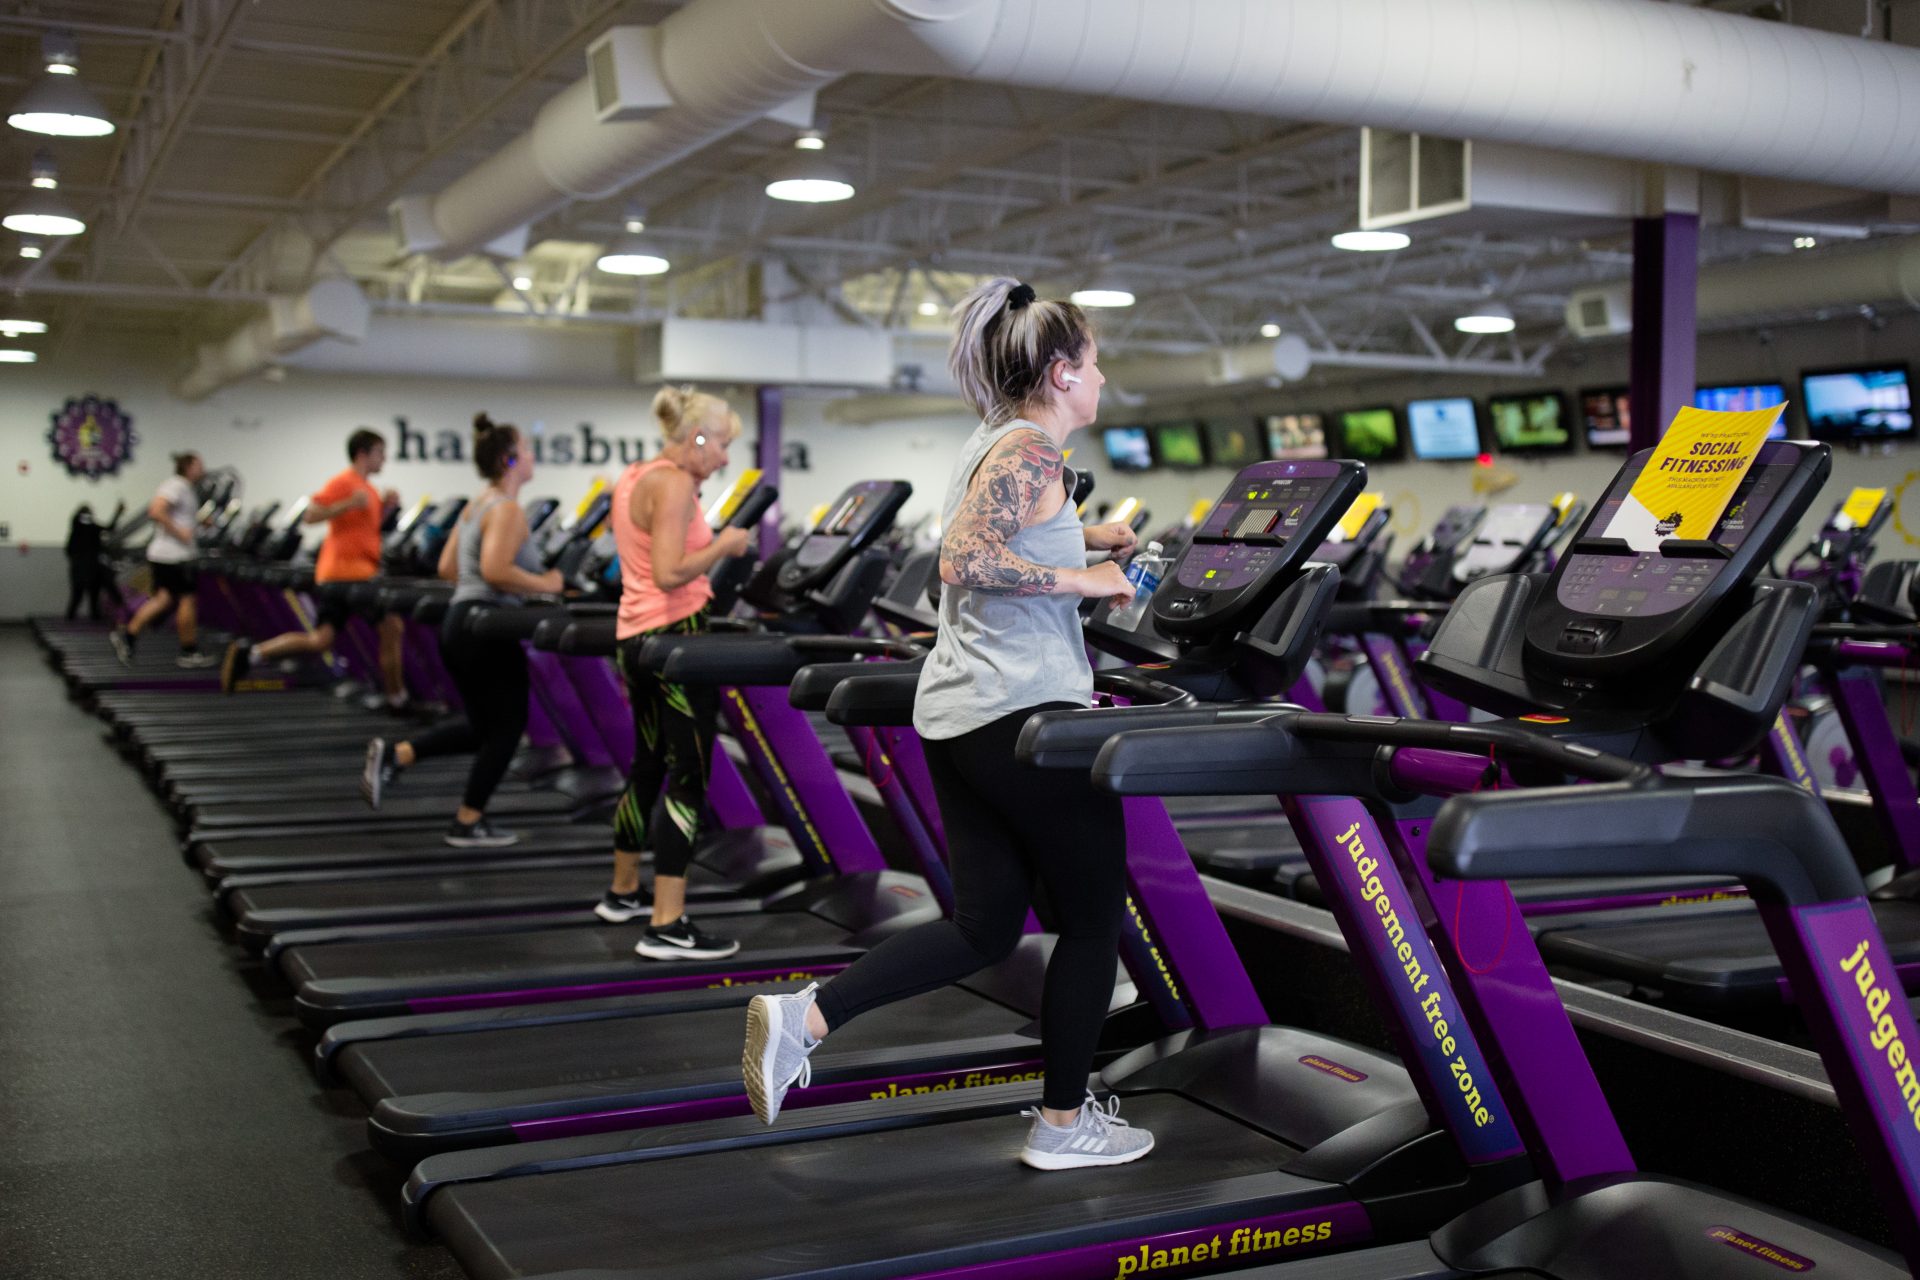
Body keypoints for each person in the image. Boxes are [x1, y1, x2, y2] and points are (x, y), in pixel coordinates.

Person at [741, 278, 1148, 1170]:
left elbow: (997, 540)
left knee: (985, 926)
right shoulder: (1033, 453)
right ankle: (1061, 1124)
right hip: (1024, 720)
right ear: (1059, 371)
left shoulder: (995, 445)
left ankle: (804, 1018)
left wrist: (1090, 539)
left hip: (963, 720)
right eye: (1093, 362)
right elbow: (965, 556)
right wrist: (1087, 582)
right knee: (1090, 924)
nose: (1103, 376)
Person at [594, 386, 752, 961]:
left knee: (645, 765)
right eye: (723, 445)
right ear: (698, 438)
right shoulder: (677, 483)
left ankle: (623, 891)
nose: (726, 458)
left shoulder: (635, 475)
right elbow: (669, 572)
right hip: (677, 637)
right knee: (688, 776)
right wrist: (726, 543)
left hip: (634, 637)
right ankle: (667, 922)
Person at [360, 415, 562, 847]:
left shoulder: (476, 505)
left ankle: (398, 756)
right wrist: (547, 584)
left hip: (460, 623)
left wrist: (494, 585)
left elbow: (449, 567)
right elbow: (494, 570)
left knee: (483, 728)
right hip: (488, 628)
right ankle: (467, 822)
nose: (531, 456)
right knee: (508, 729)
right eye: (526, 449)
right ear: (509, 459)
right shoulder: (507, 509)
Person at [221, 428, 408, 703]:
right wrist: (346, 503)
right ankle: (397, 699)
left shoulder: (369, 489)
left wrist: (387, 507)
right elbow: (310, 514)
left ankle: (252, 653)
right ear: (362, 454)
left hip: (350, 574)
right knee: (393, 626)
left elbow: (366, 530)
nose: (385, 458)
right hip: (349, 577)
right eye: (380, 452)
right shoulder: (345, 482)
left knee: (321, 641)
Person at [112, 452, 216, 667]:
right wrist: (180, 533)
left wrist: (198, 523)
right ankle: (189, 651)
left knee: (164, 600)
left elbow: (178, 517)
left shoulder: (185, 489)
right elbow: (156, 511)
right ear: (187, 467)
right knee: (188, 600)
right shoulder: (176, 485)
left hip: (168, 555)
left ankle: (128, 635)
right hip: (175, 557)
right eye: (199, 465)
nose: (203, 469)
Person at [63, 503, 106, 621]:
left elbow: (107, 527)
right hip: (86, 567)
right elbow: (108, 527)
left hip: (85, 567)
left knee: (87, 595)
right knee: (81, 595)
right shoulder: (80, 528)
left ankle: (74, 617)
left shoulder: (87, 529)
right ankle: (72, 617)